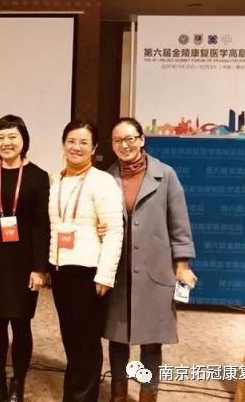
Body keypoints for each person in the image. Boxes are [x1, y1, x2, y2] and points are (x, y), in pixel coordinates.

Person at [104, 117, 197, 402]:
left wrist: (182, 264)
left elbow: (179, 223)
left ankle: (148, 395)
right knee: (117, 337)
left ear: (142, 140)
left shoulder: (165, 175)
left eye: (130, 139)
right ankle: (118, 395)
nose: (124, 145)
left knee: (152, 340)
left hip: (154, 268)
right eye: (118, 141)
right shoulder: (107, 178)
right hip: (117, 270)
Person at [48, 120, 123, 402]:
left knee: (87, 341)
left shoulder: (103, 181)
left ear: (94, 148)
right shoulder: (55, 180)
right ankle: (73, 394)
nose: (76, 147)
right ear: (63, 144)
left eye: (83, 143)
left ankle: (84, 397)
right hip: (60, 270)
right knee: (70, 338)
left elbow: (114, 230)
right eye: (71, 141)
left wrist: (105, 274)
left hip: (89, 272)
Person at [0, 115, 49, 402]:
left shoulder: (38, 176)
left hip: (24, 263)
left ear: (23, 140)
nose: (6, 143)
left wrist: (39, 268)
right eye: (1, 137)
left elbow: (42, 225)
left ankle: (17, 383)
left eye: (12, 137)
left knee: (21, 324)